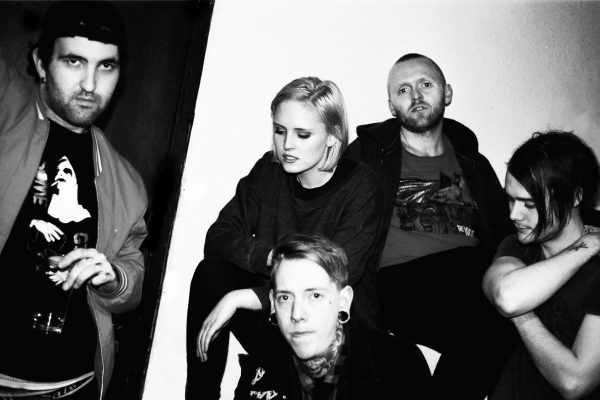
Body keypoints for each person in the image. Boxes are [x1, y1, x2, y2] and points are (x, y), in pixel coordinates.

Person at [186, 77, 382, 399]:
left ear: (332, 137)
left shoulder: (361, 185)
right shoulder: (269, 171)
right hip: (277, 319)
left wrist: (243, 297)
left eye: (302, 135)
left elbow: (336, 274)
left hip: (332, 334)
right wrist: (273, 257)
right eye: (280, 131)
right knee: (211, 273)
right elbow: (218, 237)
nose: (287, 145)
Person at [345, 53, 516, 399]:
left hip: (470, 279)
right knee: (494, 316)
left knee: (498, 325)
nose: (416, 95)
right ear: (392, 106)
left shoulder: (473, 163)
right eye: (403, 89)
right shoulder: (369, 155)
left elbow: (505, 232)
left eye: (425, 84)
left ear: (447, 93)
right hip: (399, 282)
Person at [0, 2, 148, 399]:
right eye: (73, 61)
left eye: (106, 66)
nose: (90, 84)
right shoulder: (8, 115)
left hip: (72, 385)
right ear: (41, 63)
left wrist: (114, 278)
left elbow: (131, 277)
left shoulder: (127, 182)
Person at [233, 233, 434, 400]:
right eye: (285, 297)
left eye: (315, 295)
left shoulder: (399, 364)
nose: (297, 314)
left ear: (343, 300)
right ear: (273, 303)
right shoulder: (258, 371)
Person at [483, 131, 600, 400]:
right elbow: (507, 296)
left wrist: (522, 315)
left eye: (529, 204)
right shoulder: (517, 246)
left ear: (574, 197)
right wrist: (589, 244)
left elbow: (575, 381)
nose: (514, 214)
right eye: (510, 199)